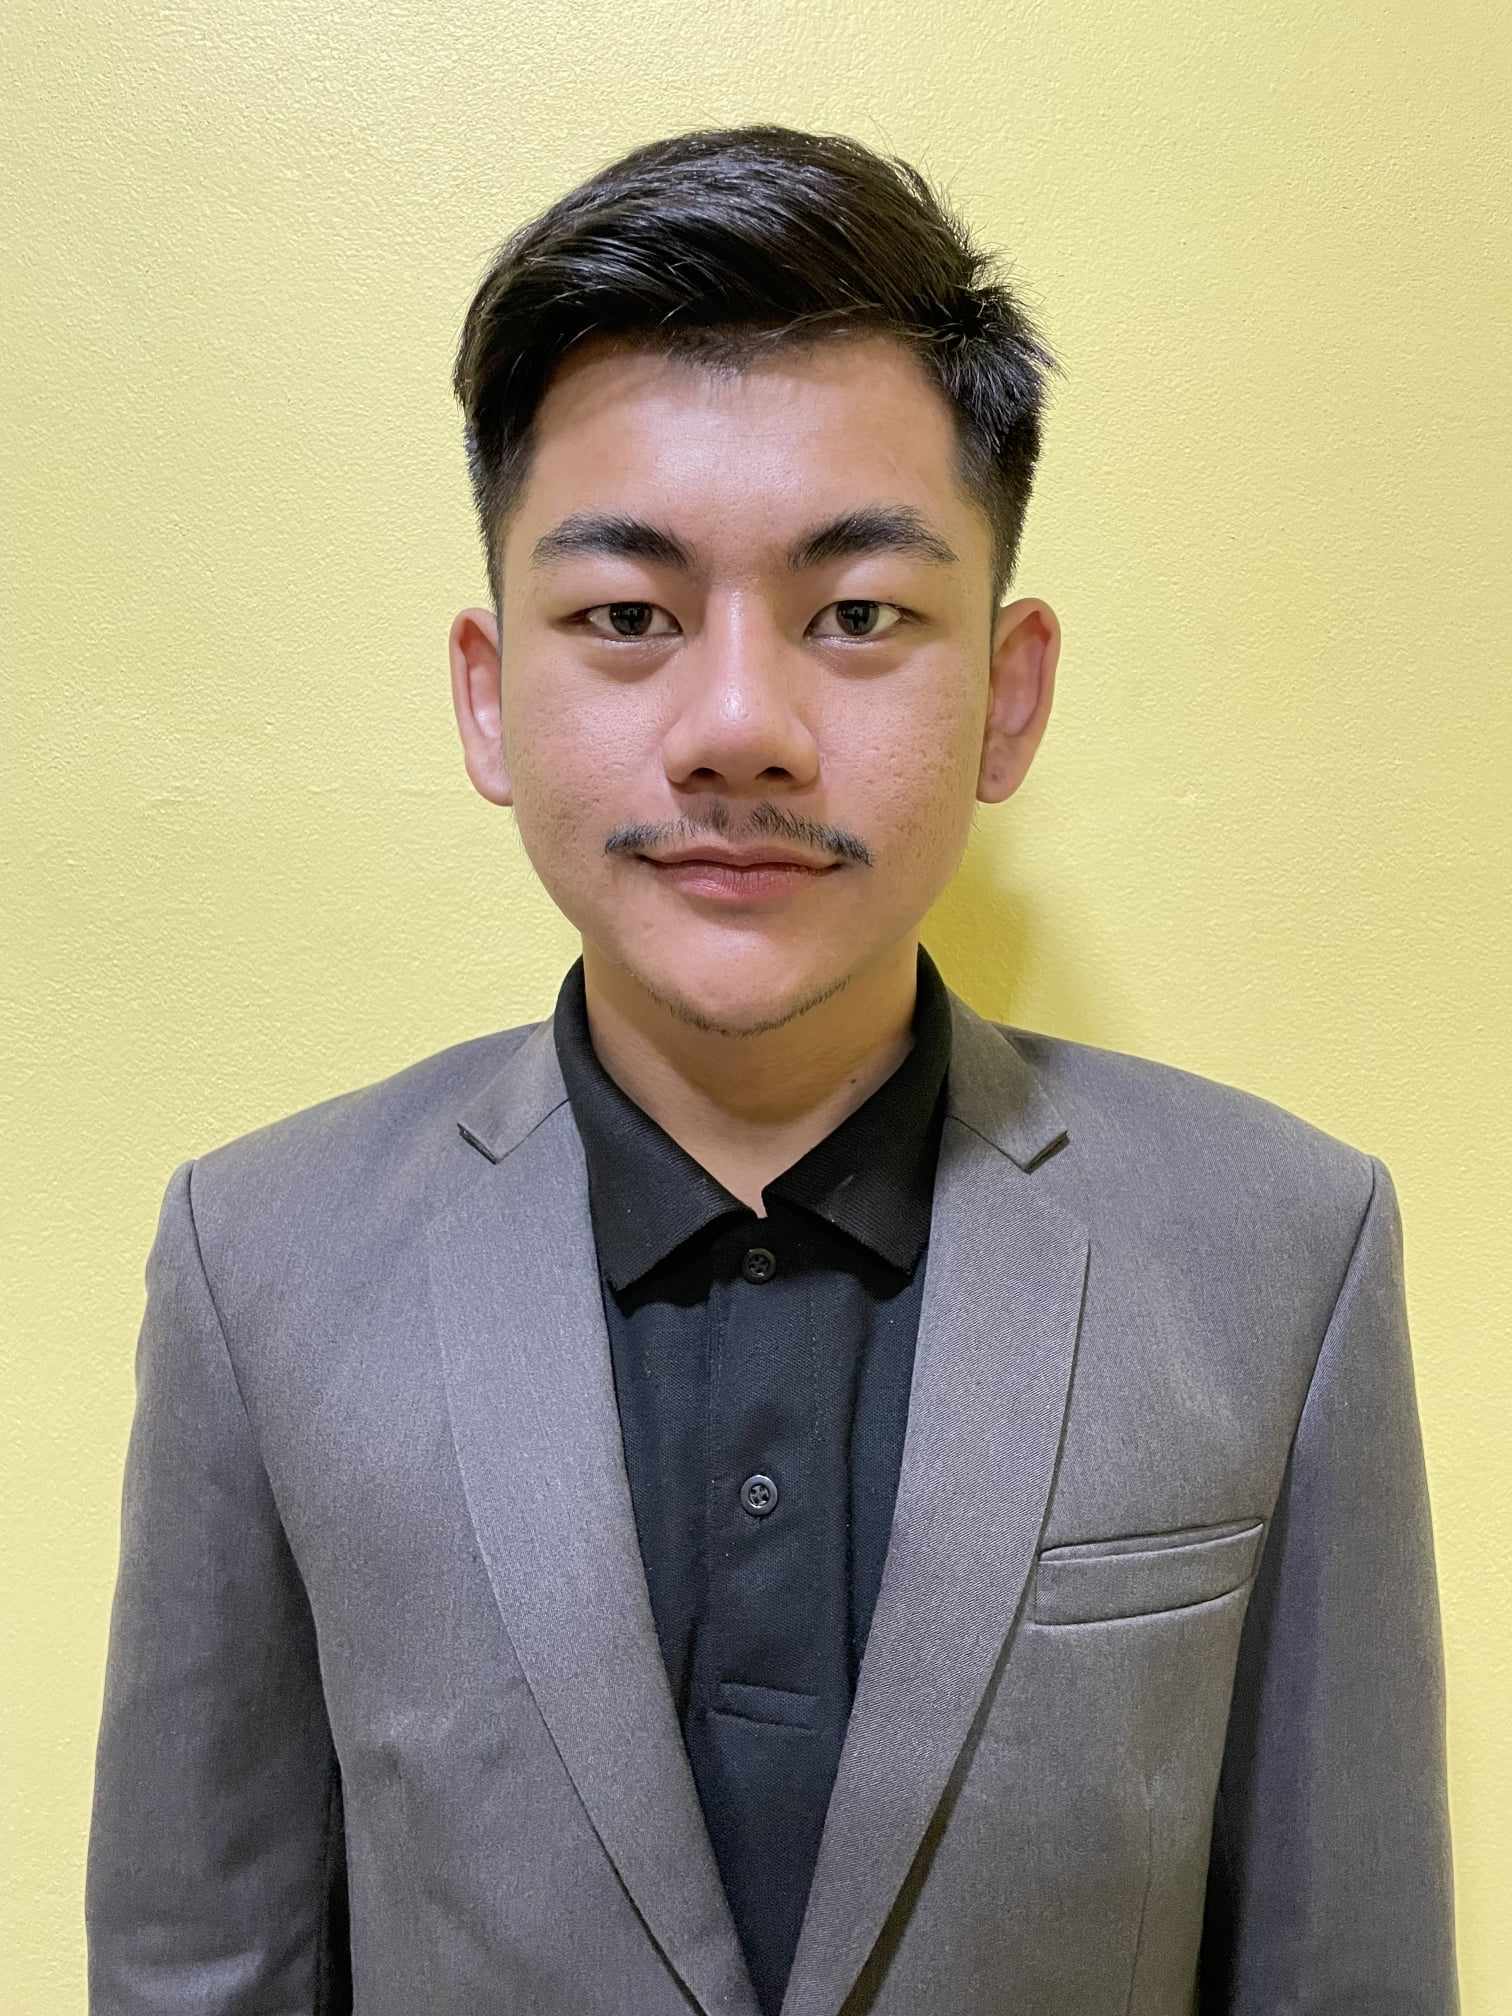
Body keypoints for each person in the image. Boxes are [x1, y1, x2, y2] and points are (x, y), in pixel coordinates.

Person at [85, 122, 1458, 2016]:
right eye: (627, 618)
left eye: (859, 616)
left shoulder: (1283, 1249)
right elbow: (200, 1967)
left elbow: (1348, 1971)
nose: (741, 726)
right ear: (490, 693)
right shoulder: (262, 1260)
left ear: (1011, 691)